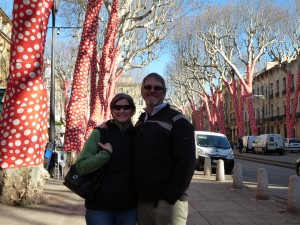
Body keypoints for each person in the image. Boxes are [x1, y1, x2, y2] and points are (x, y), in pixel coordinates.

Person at [134, 73, 196, 225]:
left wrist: (169, 198)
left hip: (169, 204)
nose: (152, 90)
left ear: (164, 92)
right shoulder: (141, 122)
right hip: (143, 203)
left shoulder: (178, 120)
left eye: (157, 87)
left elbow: (188, 163)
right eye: (148, 87)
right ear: (142, 91)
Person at [76, 93, 137, 225]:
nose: (121, 111)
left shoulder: (138, 135)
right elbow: (81, 167)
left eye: (126, 107)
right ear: (112, 110)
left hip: (128, 207)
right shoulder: (99, 133)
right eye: (117, 107)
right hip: (99, 207)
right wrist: (104, 155)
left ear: (132, 111)